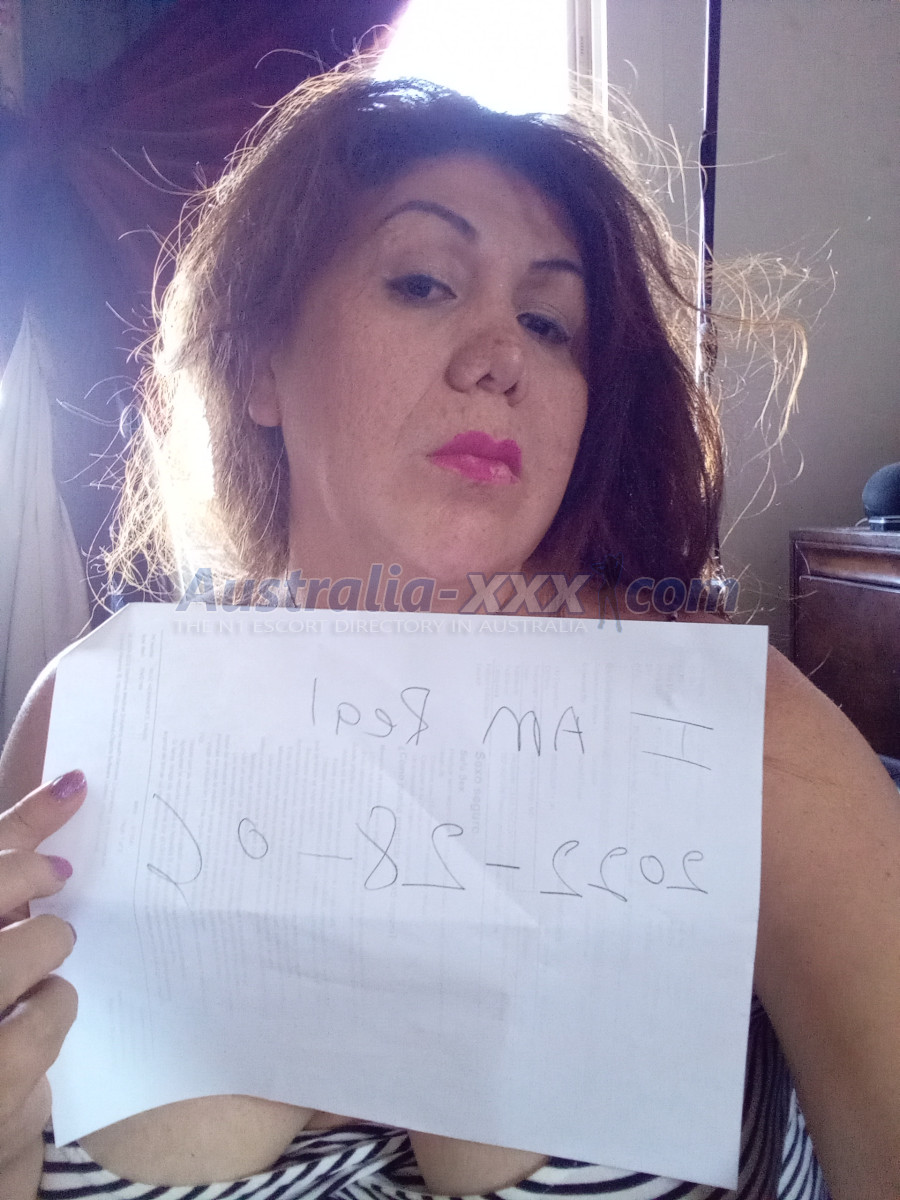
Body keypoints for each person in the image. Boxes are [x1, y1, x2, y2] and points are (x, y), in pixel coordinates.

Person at [0, 69, 897, 1200]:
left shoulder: (738, 738)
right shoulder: (96, 721)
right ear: (259, 360)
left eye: (550, 323)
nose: (499, 356)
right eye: (423, 282)